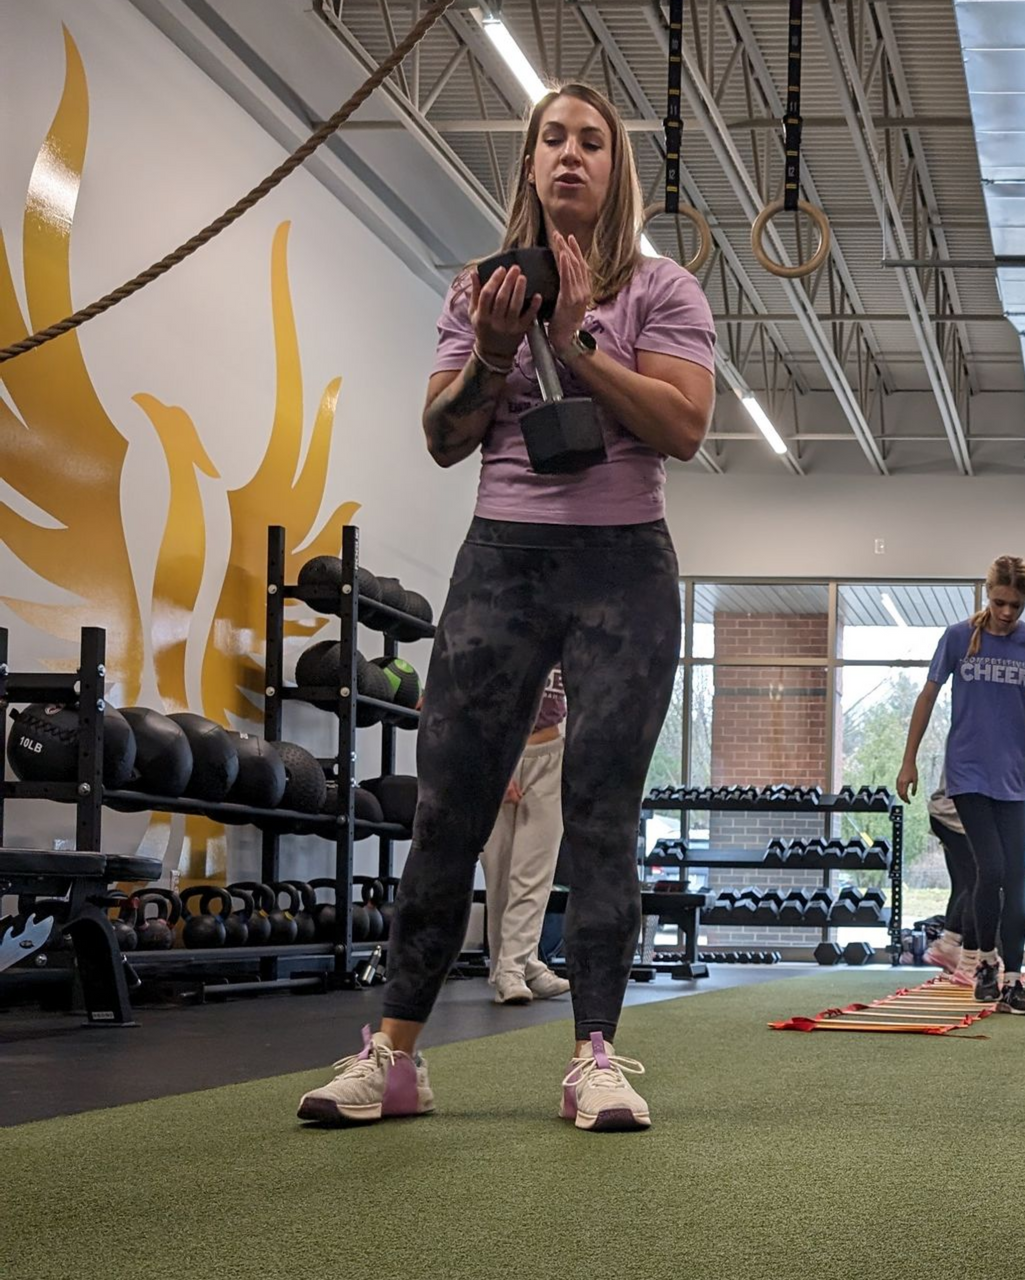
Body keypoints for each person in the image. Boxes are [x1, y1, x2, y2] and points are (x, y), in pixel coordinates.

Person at [296, 81, 716, 1133]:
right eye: (552, 140)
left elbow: (683, 426)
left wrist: (576, 341)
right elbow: (442, 437)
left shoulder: (662, 289)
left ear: (616, 171)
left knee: (604, 814)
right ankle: (392, 1057)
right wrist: (493, 349)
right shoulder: (477, 288)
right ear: (528, 164)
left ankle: (597, 1058)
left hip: (624, 566)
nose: (570, 154)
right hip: (503, 562)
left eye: (592, 142)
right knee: (448, 806)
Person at [897, 556, 1025, 1016]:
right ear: (988, 594)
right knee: (993, 868)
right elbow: (928, 696)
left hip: (1013, 780)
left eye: (1016, 605)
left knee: (1016, 879)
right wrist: (908, 761)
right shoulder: (959, 637)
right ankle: (984, 963)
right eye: (1000, 602)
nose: (1007, 613)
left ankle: (1012, 981)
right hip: (967, 775)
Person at [480, 666, 571, 1005]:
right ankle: (519, 965)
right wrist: (498, 765)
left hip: (550, 755)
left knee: (533, 873)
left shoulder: (569, 632)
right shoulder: (502, 625)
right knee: (500, 873)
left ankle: (515, 969)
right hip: (496, 753)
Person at [925, 781, 979, 985]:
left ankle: (951, 954)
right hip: (954, 816)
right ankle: (955, 952)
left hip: (951, 816)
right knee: (978, 882)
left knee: (964, 885)